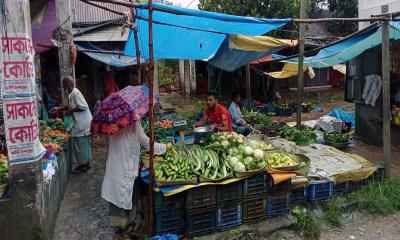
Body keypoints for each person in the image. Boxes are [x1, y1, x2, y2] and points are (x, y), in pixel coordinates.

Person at [101, 121, 169, 233]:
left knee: (119, 193)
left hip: (115, 162)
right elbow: (147, 143)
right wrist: (165, 148)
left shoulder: (112, 122)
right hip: (124, 165)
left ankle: (122, 225)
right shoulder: (133, 123)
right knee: (123, 194)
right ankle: (126, 227)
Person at [50, 76, 93, 174]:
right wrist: (59, 108)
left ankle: (82, 165)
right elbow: (69, 106)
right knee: (84, 142)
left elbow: (83, 106)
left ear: (68, 85)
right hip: (82, 121)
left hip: (83, 122)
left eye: (64, 85)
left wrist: (71, 111)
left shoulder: (76, 93)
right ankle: (86, 163)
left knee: (79, 142)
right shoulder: (71, 94)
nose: (64, 88)